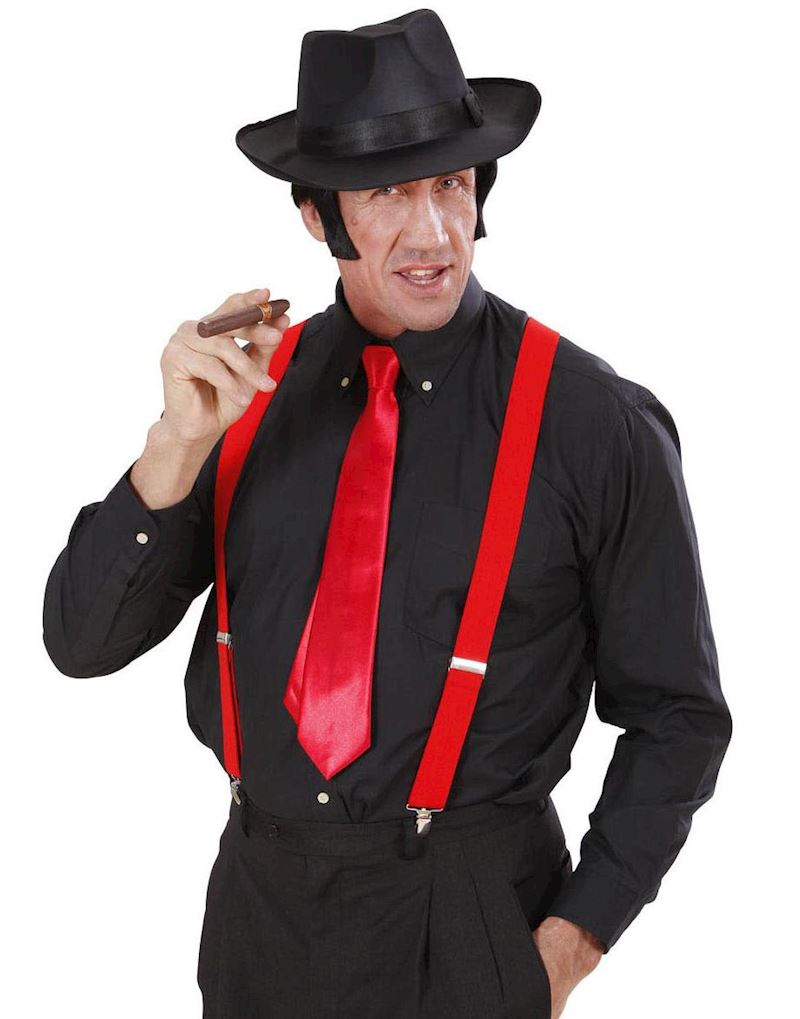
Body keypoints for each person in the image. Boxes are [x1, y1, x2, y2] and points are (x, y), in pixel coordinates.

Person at [42, 9, 733, 1018]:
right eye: (385, 193)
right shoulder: (244, 397)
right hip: (258, 920)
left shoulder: (595, 424)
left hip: (473, 923)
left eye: (451, 183)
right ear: (316, 215)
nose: (433, 233)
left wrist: (566, 944)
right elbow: (80, 643)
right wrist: (174, 447)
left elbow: (679, 716)